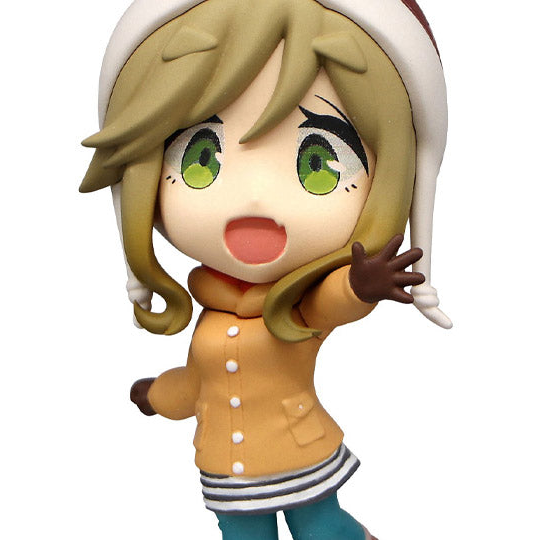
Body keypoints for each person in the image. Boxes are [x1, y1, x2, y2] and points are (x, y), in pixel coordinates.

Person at [81, 1, 451, 538]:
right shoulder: (211, 317)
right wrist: (157, 395)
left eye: (318, 164)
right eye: (199, 157)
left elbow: (325, 306)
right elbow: (196, 385)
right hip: (227, 470)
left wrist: (359, 286)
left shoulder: (292, 308)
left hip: (302, 455)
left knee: (323, 531)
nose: (254, 198)